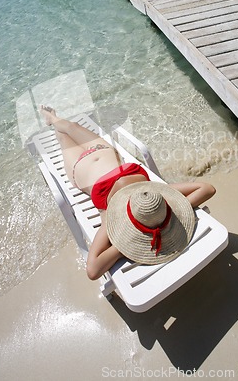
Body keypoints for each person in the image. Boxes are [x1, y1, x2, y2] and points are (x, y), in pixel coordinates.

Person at [40, 105, 216, 280]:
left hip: (83, 169)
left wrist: (122, 244)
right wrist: (177, 210)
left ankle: (53, 119)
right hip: (104, 153)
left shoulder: (112, 219)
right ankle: (54, 118)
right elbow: (208, 188)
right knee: (72, 128)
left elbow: (93, 270)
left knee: (65, 136)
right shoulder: (153, 199)